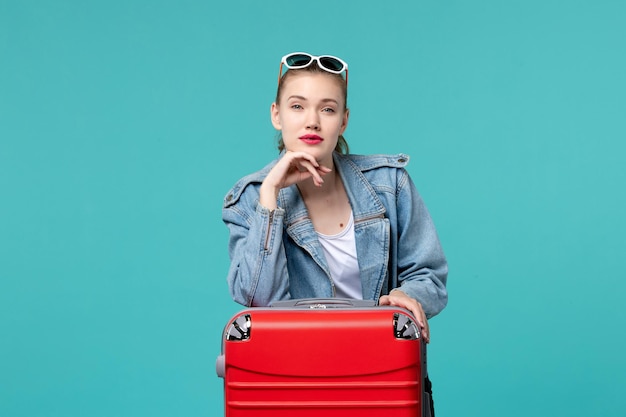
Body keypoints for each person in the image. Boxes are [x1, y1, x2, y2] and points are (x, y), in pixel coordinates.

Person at [222, 52, 448, 343]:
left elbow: (428, 274)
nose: (312, 122)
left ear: (344, 121)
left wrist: (405, 296)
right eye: (297, 106)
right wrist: (270, 196)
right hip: (295, 370)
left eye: (327, 109)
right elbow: (260, 302)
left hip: (379, 364)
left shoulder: (390, 184)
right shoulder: (248, 201)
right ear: (276, 115)